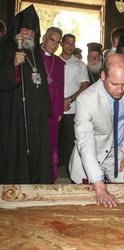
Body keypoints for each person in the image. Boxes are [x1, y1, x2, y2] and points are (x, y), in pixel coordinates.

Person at [69, 53, 124, 208]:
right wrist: (100, 187)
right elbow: (85, 142)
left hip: (120, 154)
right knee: (88, 207)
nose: (120, 90)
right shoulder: (86, 99)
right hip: (92, 155)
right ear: (103, 76)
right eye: (115, 84)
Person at [0, 5, 52, 184]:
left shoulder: (35, 52)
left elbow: (41, 82)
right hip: (15, 114)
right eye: (25, 29)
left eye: (31, 30)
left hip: (36, 114)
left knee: (38, 150)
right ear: (17, 29)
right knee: (17, 150)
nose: (28, 33)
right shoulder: (5, 47)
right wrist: (12, 64)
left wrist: (45, 110)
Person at [58, 34, 89, 169]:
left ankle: (69, 169)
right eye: (68, 43)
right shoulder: (53, 61)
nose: (71, 46)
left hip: (73, 108)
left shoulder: (79, 64)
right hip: (54, 107)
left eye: (73, 43)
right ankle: (54, 167)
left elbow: (85, 86)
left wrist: (69, 99)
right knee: (55, 139)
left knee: (70, 140)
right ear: (61, 44)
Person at [41, 27, 65, 183]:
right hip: (36, 111)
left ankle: (48, 176)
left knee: (50, 144)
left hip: (52, 112)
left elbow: (60, 88)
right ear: (44, 37)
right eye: (52, 40)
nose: (54, 44)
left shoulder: (59, 63)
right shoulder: (33, 56)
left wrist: (59, 112)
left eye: (57, 42)